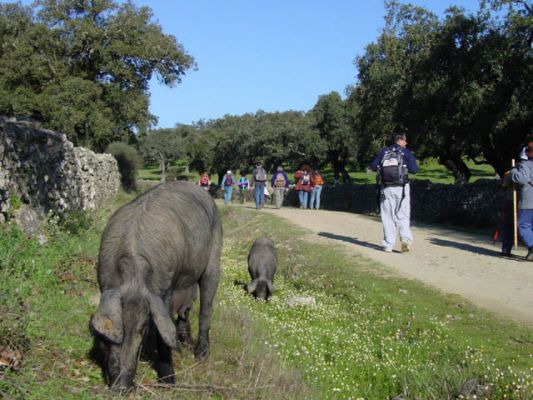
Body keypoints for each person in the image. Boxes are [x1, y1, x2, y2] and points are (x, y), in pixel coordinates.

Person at [371, 130, 418, 253]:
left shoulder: (384, 151)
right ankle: (405, 240)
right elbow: (414, 169)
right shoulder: (406, 152)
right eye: (405, 140)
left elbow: (373, 165)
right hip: (402, 188)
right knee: (403, 214)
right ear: (400, 140)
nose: (406, 142)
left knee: (387, 216)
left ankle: (388, 244)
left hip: (385, 188)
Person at [509, 145, 533, 260]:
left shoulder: (526, 165)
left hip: (529, 201)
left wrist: (513, 171)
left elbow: (521, 179)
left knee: (523, 225)